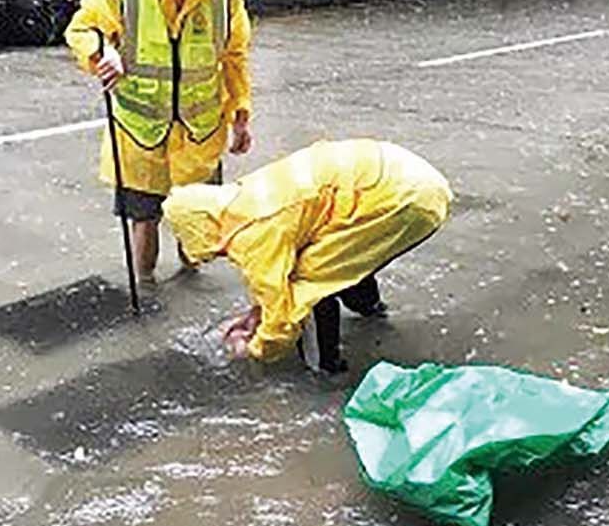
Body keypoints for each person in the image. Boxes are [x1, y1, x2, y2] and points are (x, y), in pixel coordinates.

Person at [65, 0, 253, 283]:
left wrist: (241, 117)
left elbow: (235, 58)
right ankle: (145, 283)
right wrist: (103, 51)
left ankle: (190, 271)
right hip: (140, 132)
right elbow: (82, 27)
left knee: (196, 215)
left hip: (199, 131)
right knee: (143, 217)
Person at [163, 139, 453, 375]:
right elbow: (304, 239)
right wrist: (255, 314)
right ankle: (368, 306)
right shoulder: (243, 197)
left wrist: (257, 348)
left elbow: (282, 306)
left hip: (405, 201)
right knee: (332, 248)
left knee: (309, 282)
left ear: (202, 229)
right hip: (405, 179)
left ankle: (325, 368)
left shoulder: (252, 233)